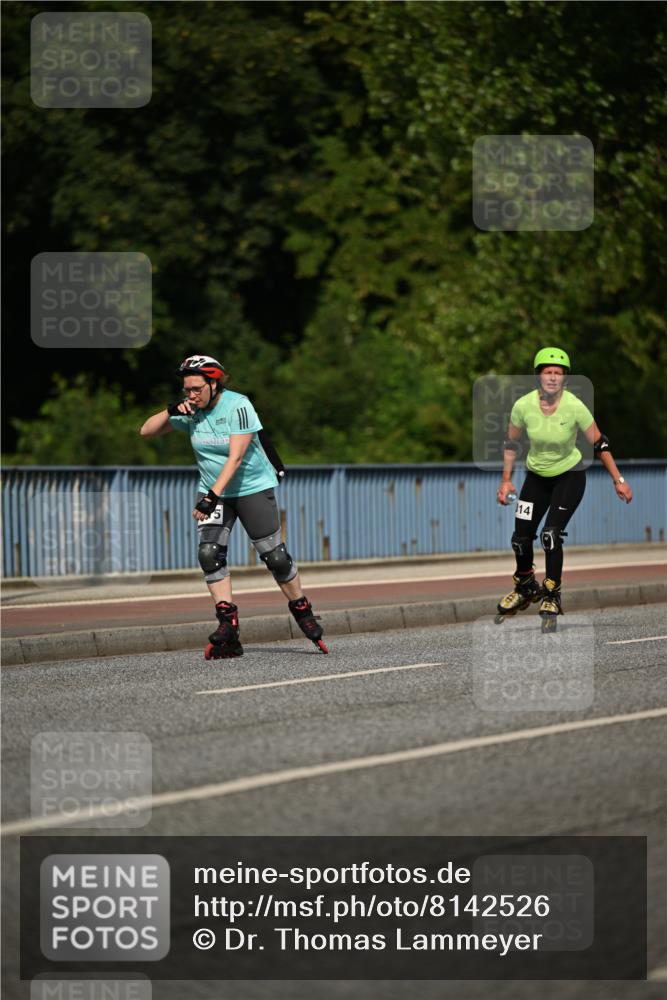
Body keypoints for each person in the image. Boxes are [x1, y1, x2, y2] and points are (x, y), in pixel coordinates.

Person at [139, 354, 328, 657]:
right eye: (186, 390)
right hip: (215, 492)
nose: (191, 395)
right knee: (209, 553)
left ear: (214, 384)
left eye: (196, 389)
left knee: (275, 557)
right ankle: (228, 626)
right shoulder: (191, 411)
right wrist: (172, 410)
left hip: (250, 488)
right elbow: (146, 431)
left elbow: (236, 458)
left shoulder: (238, 405)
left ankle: (302, 610)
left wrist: (210, 496)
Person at [496, 346, 633, 626]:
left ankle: (552, 593)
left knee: (550, 534)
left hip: (569, 476)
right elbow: (511, 443)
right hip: (536, 478)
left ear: (565, 378)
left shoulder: (574, 406)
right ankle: (525, 586)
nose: (553, 377)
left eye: (559, 373)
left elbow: (600, 442)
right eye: (548, 371)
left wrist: (618, 480)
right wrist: (506, 479)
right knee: (520, 538)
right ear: (538, 376)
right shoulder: (523, 406)